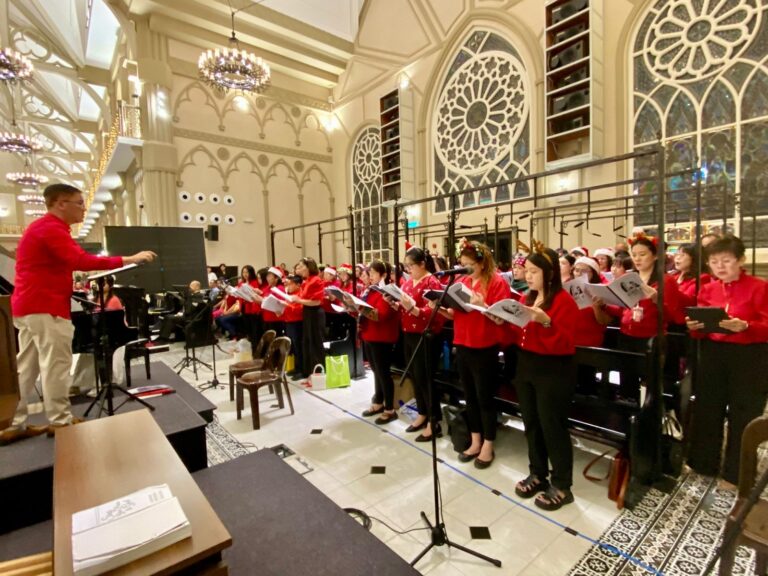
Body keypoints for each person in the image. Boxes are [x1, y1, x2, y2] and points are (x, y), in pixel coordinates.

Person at [1, 183, 156, 445]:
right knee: (55, 365)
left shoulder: (42, 228)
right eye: (80, 203)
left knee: (27, 366)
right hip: (46, 306)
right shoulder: (50, 228)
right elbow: (81, 261)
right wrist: (129, 259)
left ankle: (15, 423)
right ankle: (60, 420)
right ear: (61, 203)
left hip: (28, 305)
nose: (84, 209)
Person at [686, 236, 768, 487]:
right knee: (708, 407)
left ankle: (737, 473)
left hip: (749, 355)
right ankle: (703, 462)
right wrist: (695, 327)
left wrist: (746, 326)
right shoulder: (708, 289)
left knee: (743, 412)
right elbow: (699, 330)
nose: (719, 266)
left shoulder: (759, 287)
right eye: (714, 261)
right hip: (714, 352)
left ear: (741, 260)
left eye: (726, 260)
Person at [513, 243, 578, 511]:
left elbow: (566, 343)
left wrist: (546, 322)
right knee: (531, 422)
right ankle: (538, 472)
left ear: (549, 274)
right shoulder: (526, 298)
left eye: (534, 271)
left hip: (553, 368)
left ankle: (562, 484)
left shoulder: (564, 301)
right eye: (526, 271)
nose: (528, 276)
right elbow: (519, 334)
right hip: (526, 364)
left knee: (552, 426)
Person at [435, 238, 510, 468]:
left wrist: (484, 305)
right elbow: (456, 313)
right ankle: (475, 439)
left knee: (484, 397)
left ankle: (488, 443)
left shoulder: (496, 282)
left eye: (470, 264)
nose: (466, 268)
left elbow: (502, 318)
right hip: (463, 343)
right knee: (469, 395)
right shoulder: (462, 281)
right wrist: (441, 308)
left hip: (485, 346)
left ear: (482, 262)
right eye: (463, 264)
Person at [396, 246, 445, 441]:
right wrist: (396, 303)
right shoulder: (408, 282)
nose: (408, 270)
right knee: (415, 376)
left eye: (411, 266)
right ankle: (422, 412)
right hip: (409, 333)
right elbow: (405, 305)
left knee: (425, 378)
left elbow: (436, 313)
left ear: (422, 264)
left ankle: (434, 420)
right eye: (406, 266)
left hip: (425, 336)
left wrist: (414, 310)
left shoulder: (432, 282)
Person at [359, 260, 400, 425]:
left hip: (382, 337)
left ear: (384, 275)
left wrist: (360, 308)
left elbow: (381, 315)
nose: (370, 276)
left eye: (374, 273)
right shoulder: (371, 290)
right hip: (369, 335)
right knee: (376, 371)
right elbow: (367, 310)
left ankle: (389, 409)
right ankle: (378, 402)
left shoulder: (388, 291)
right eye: (369, 273)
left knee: (383, 373)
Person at [294, 257, 325, 380]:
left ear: (309, 267)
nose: (300, 269)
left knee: (315, 343)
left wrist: (298, 300)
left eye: (302, 266)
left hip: (315, 313)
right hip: (307, 312)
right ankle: (308, 371)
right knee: (307, 342)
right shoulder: (306, 281)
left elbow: (317, 301)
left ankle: (317, 372)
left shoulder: (316, 280)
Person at [279, 275, 304, 377]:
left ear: (298, 285)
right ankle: (296, 367)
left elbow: (299, 310)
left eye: (290, 284)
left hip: (297, 322)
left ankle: (301, 369)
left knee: (298, 346)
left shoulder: (300, 294)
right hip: (288, 322)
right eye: (287, 284)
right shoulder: (289, 294)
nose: (288, 286)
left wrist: (287, 305)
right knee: (292, 346)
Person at [672, 243, 710, 308]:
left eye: (682, 255)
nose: (677, 258)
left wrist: (669, 289)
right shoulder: (674, 276)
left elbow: (688, 301)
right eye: (677, 254)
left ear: (694, 258)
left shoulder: (702, 278)